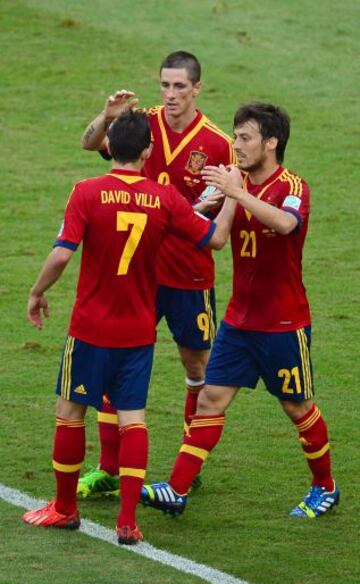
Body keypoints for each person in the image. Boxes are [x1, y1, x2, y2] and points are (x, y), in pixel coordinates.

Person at [22, 111, 236, 544]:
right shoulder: (165, 198)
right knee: (132, 419)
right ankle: (127, 522)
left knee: (70, 413)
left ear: (111, 148)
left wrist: (37, 291)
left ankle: (65, 508)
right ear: (147, 152)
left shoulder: (86, 191)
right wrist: (232, 195)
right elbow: (214, 239)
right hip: (139, 331)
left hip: (90, 329)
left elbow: (62, 255)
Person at [140, 102, 340, 520]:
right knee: (211, 399)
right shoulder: (236, 182)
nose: (236, 145)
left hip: (283, 323)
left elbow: (285, 226)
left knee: (297, 407)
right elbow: (205, 228)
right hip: (238, 320)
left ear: (271, 142)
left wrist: (237, 193)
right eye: (235, 136)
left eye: (245, 137)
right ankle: (176, 489)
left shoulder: (293, 187)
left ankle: (325, 486)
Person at [77, 50, 237, 497]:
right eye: (165, 85)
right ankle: (109, 467)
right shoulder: (140, 124)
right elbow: (91, 143)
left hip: (189, 275)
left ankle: (190, 461)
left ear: (197, 88)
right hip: (139, 276)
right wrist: (107, 115)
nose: (170, 95)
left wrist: (207, 206)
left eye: (179, 87)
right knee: (115, 366)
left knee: (197, 365)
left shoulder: (219, 144)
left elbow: (227, 202)